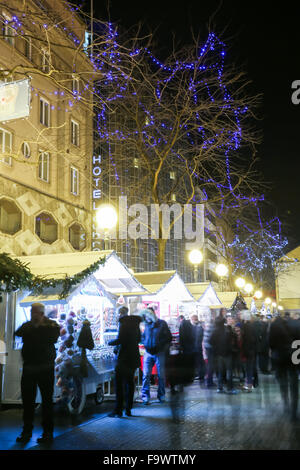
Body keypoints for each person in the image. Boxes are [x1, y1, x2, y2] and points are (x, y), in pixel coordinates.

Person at [14, 302, 60, 444]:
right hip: (30, 368)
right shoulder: (28, 325)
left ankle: (47, 432)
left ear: (41, 313)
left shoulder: (51, 326)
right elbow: (17, 333)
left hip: (45, 368)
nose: (32, 314)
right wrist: (34, 326)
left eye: (34, 312)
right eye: (31, 311)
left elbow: (52, 337)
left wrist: (36, 327)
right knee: (28, 402)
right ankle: (27, 431)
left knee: (46, 401)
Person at [108, 306, 142, 417]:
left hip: (124, 358)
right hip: (133, 357)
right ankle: (128, 409)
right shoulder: (136, 324)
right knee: (130, 383)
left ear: (120, 313)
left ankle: (118, 410)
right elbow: (139, 339)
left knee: (119, 384)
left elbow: (120, 339)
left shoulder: (123, 323)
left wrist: (110, 342)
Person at [269, 312, 300, 422]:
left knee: (282, 381)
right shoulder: (296, 324)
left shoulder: (274, 325)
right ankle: (294, 412)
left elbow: (271, 342)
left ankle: (286, 403)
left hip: (279, 357)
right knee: (294, 383)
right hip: (293, 356)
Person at [140, 306, 172, 404]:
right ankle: (145, 397)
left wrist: (161, 346)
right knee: (146, 375)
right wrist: (145, 343)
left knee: (161, 376)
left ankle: (161, 396)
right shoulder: (146, 325)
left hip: (159, 352)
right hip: (148, 353)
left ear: (153, 314)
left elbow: (168, 337)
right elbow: (143, 336)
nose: (147, 316)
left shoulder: (162, 324)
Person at [190, 314, 206, 384]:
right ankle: (201, 375)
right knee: (200, 362)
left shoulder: (197, 327)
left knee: (199, 362)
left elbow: (196, 338)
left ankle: (201, 375)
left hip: (198, 347)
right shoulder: (199, 326)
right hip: (199, 347)